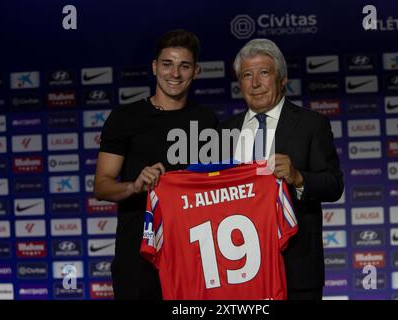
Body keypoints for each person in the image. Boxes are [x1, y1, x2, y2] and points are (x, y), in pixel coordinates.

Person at [94, 29, 218, 299]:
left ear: (195, 71)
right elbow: (102, 186)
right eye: (167, 64)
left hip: (194, 256)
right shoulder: (125, 118)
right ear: (154, 67)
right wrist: (134, 186)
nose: (175, 74)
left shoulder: (207, 120)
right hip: (138, 258)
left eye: (184, 66)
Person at [220, 39, 344, 300]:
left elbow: (334, 184)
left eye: (264, 73)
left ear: (282, 78)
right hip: (237, 268)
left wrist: (298, 177)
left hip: (296, 267)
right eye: (246, 75)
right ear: (239, 83)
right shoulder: (224, 132)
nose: (255, 83)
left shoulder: (312, 124)